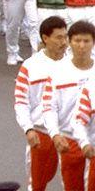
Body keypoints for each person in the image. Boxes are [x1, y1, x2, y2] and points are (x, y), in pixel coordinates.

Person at [14, 15, 68, 191]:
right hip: (41, 134)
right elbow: (21, 102)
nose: (64, 42)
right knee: (37, 184)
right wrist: (28, 129)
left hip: (72, 135)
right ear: (45, 38)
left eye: (65, 37)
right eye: (59, 37)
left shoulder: (75, 64)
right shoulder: (30, 66)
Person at [42, 21, 95, 190]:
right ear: (69, 42)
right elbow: (49, 107)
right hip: (69, 140)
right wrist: (55, 134)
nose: (82, 46)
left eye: (86, 41)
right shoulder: (57, 72)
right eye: (77, 41)